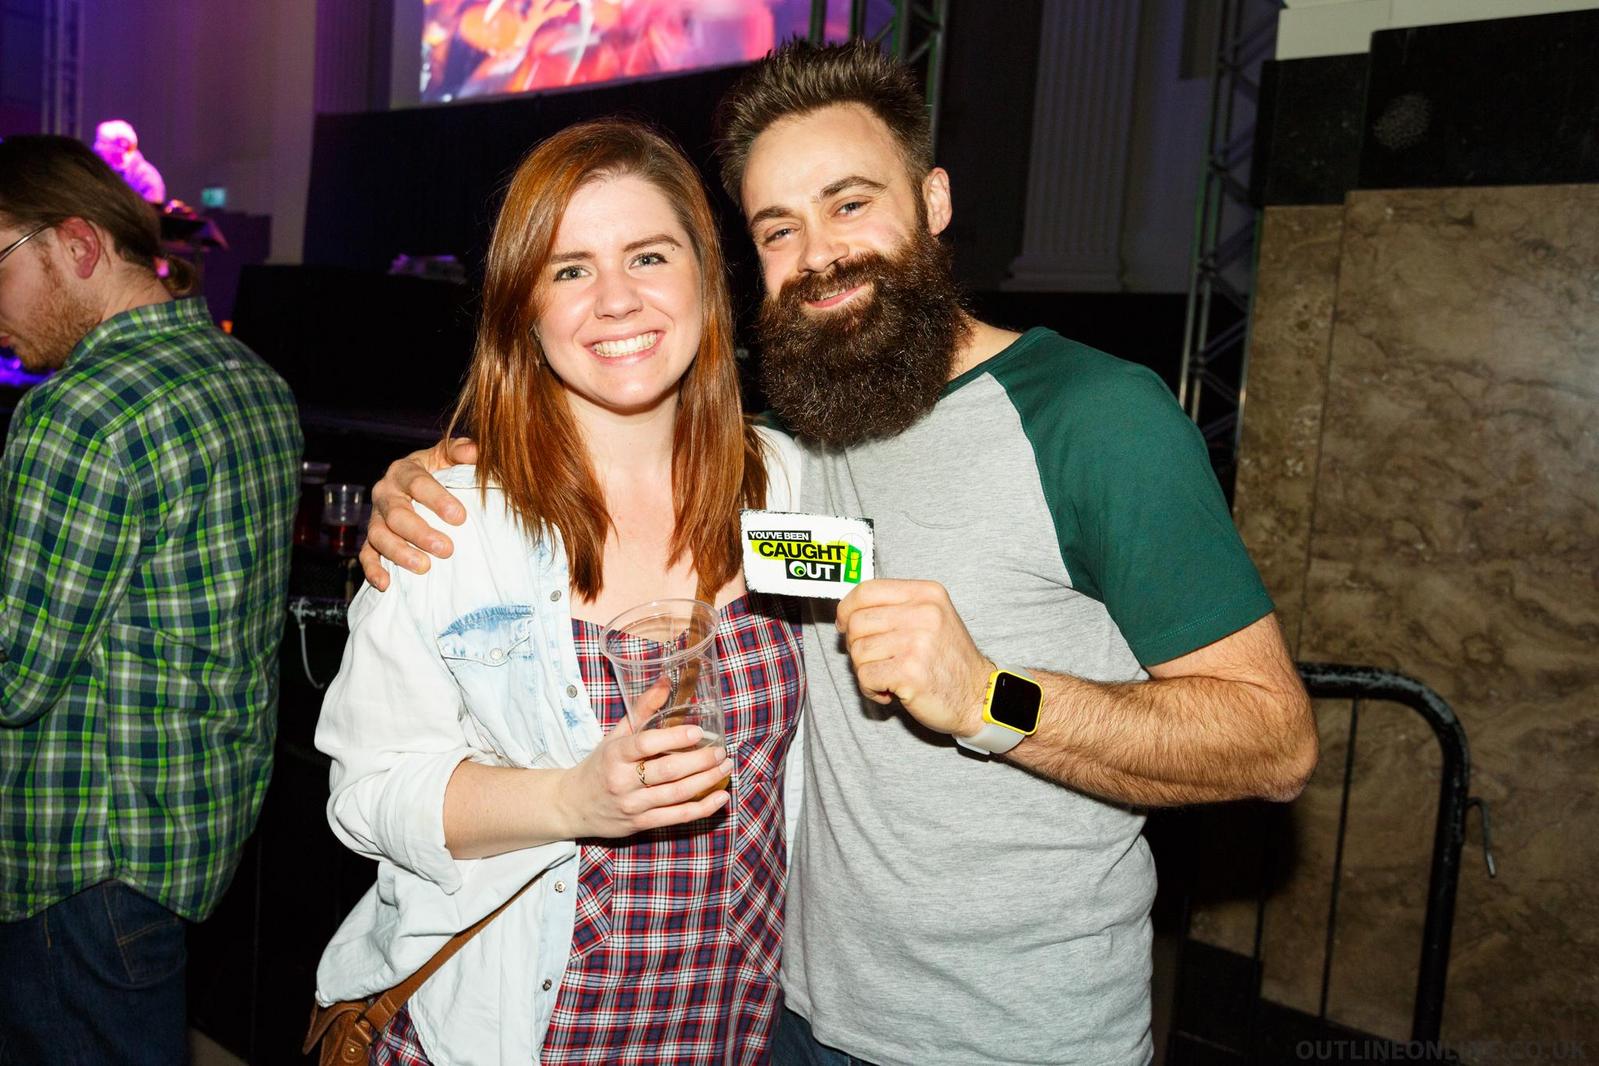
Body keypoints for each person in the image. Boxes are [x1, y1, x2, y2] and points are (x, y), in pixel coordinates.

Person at [362, 42, 1318, 1066]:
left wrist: (991, 697)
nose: (820, 255)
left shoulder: (1096, 419)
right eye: (780, 228)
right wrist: (440, 474)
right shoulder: (790, 443)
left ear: (933, 200)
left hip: (1014, 1040)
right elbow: (615, 422)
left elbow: (1273, 742)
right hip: (789, 1019)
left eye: (851, 204)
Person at [311, 119, 804, 1065]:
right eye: (569, 269)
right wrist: (571, 801)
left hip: (736, 1031)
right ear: (523, 310)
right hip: (513, 1034)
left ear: (706, 278)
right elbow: (367, 795)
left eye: (648, 256)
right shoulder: (451, 523)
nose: (616, 299)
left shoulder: (789, 483)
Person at [0, 135, 301, 1064]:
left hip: (76, 861)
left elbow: (12, 677)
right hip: (185, 838)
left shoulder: (78, 412)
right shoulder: (255, 381)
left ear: (77, 245)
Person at [92, 119, 167, 205]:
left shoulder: (147, 179)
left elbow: (151, 211)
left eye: (103, 142)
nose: (97, 147)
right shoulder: (103, 170)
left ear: (122, 146)